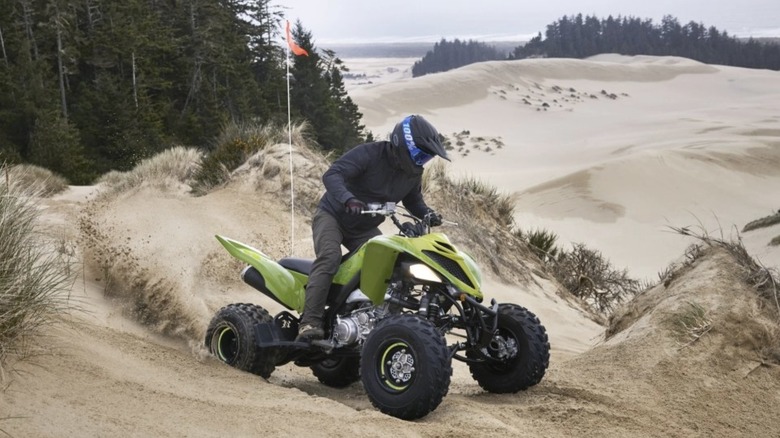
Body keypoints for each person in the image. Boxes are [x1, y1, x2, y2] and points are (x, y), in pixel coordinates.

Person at [296, 114, 450, 341]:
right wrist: (348, 199)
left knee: (387, 265)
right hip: (333, 216)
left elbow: (413, 201)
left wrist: (428, 215)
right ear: (401, 143)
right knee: (329, 257)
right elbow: (332, 175)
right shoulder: (369, 154)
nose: (420, 160)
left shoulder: (413, 172)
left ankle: (372, 323)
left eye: (425, 157)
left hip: (364, 229)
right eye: (418, 154)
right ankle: (310, 322)